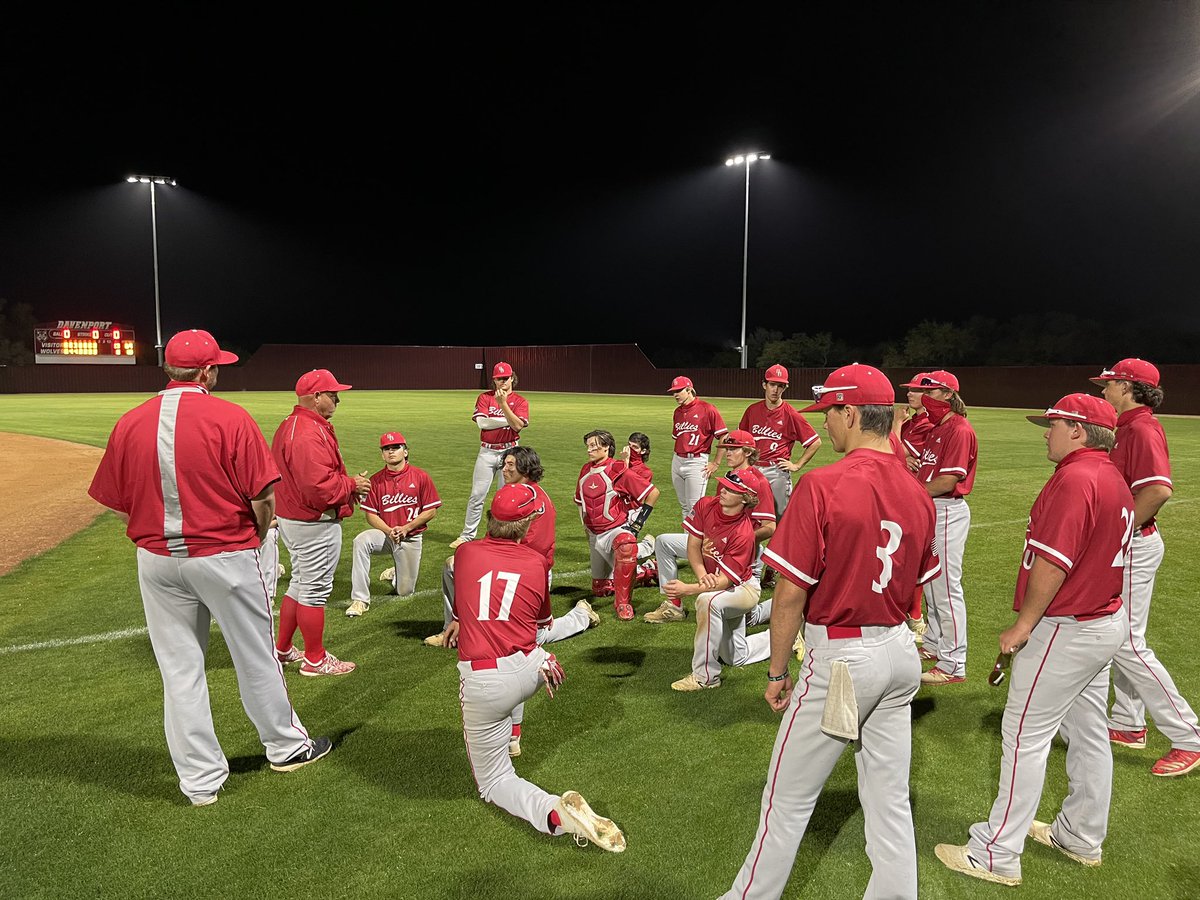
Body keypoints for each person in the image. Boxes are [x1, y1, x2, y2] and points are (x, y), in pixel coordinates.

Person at [86, 329, 331, 807]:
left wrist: (156, 540)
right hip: (225, 555)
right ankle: (285, 747)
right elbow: (263, 496)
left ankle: (201, 783)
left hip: (157, 563)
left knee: (180, 670)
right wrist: (256, 538)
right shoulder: (230, 416)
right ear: (206, 372)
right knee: (255, 656)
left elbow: (117, 504)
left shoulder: (130, 421)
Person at [722, 364, 939, 900]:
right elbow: (920, 590)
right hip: (899, 652)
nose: (830, 426)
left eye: (832, 414)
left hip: (843, 659)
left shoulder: (824, 483)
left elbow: (791, 594)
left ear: (850, 412)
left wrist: (776, 670)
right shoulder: (919, 492)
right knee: (888, 799)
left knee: (787, 801)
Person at [935, 393, 1133, 887]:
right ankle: (1081, 836)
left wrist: (1023, 625)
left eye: (1054, 425)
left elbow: (1053, 561)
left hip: (1066, 627)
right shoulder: (1111, 475)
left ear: (1079, 431)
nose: (1046, 432)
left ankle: (997, 853)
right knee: (1087, 733)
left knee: (1024, 736)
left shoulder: (1076, 477)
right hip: (1103, 622)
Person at [453, 483, 626, 853]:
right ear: (529, 523)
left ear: (490, 518)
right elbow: (543, 626)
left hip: (486, 678)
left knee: (495, 781)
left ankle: (554, 814)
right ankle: (513, 733)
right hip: (534, 668)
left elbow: (474, 560)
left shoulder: (466, 553)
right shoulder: (535, 562)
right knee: (518, 666)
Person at [1091, 359, 1200, 776]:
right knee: (1125, 638)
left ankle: (1188, 735)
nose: (1104, 391)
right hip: (1131, 543)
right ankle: (1128, 722)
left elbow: (1157, 489)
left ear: (1128, 386)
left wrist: (1118, 533)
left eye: (1110, 384)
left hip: (1133, 544)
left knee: (1127, 643)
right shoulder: (1130, 425)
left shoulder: (1140, 427)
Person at [271, 368, 370, 677]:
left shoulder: (294, 423)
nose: (337, 399)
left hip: (293, 516)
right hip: (313, 520)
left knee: (300, 583)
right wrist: (352, 485)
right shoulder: (306, 431)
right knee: (314, 590)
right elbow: (318, 487)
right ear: (315, 397)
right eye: (332, 394)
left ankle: (284, 649)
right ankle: (315, 660)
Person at [646, 429, 776, 624]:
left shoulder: (759, 481)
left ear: (748, 452)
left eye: (733, 449)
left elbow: (770, 527)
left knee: (747, 617)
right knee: (664, 542)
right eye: (726, 449)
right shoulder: (728, 477)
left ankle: (787, 604)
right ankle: (674, 605)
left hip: (740, 552)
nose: (727, 453)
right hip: (713, 544)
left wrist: (735, 540)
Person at [666, 472, 767, 691]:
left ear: (745, 498)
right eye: (724, 485)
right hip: (720, 586)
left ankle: (705, 677)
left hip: (742, 590)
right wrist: (703, 576)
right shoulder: (706, 505)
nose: (722, 489)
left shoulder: (744, 533)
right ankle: (781, 639)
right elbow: (693, 546)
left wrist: (688, 589)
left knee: (707, 601)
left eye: (731, 489)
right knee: (735, 657)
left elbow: (724, 582)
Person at [915, 369, 978, 686]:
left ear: (947, 395)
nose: (924, 398)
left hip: (947, 510)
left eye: (929, 392)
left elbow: (948, 480)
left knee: (945, 587)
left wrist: (912, 492)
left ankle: (954, 662)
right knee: (930, 583)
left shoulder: (958, 429)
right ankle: (935, 644)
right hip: (932, 510)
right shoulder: (937, 428)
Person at [738, 363, 821, 585]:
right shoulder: (752, 410)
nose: (776, 390)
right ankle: (747, 567)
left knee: (780, 526)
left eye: (781, 386)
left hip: (776, 472)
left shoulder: (790, 414)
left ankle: (773, 570)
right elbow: (743, 440)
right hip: (753, 471)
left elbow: (814, 442)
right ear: (764, 384)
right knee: (749, 520)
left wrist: (796, 465)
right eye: (773, 384)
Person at [345, 431, 442, 618]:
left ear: (405, 451)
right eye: (386, 449)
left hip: (411, 538)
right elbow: (371, 515)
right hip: (385, 535)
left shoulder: (420, 477)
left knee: (404, 591)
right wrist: (390, 531)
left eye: (396, 447)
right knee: (361, 541)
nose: (391, 452)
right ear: (382, 454)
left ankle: (395, 572)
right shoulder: (376, 481)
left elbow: (431, 511)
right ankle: (360, 600)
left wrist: (406, 528)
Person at [575, 430, 660, 620]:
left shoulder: (617, 469)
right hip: (595, 533)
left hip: (615, 529)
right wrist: (585, 528)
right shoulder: (584, 470)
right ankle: (646, 571)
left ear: (606, 447)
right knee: (601, 589)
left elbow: (652, 493)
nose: (589, 449)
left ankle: (623, 604)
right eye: (588, 445)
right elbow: (580, 501)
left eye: (594, 445)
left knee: (626, 543)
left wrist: (637, 524)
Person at [451, 361, 528, 549]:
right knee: (477, 495)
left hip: (510, 452)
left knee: (506, 496)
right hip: (486, 451)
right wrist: (507, 419)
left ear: (512, 378)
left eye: (504, 378)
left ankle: (502, 536)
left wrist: (503, 406)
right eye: (497, 379)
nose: (501, 382)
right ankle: (467, 535)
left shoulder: (520, 401)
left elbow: (518, 426)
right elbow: (482, 424)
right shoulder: (485, 398)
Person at [667, 375, 729, 520]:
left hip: (696, 462)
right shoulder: (677, 412)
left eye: (678, 391)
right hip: (677, 460)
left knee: (695, 508)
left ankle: (698, 542)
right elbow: (678, 437)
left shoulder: (707, 409)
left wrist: (716, 463)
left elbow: (723, 436)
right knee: (684, 507)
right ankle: (687, 541)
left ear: (689, 390)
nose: (675, 395)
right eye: (673, 392)